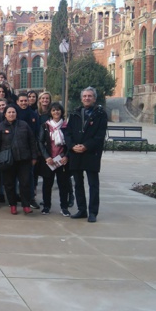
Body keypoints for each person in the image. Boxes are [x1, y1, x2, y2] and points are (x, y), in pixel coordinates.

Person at [65, 87, 108, 223]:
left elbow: (100, 135)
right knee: (78, 183)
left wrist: (86, 146)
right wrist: (72, 146)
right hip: (76, 153)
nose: (87, 98)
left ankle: (93, 212)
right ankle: (82, 209)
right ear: (81, 98)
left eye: (90, 96)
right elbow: (68, 133)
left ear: (94, 98)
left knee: (93, 184)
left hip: (91, 153)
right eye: (84, 96)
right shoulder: (75, 113)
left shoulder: (101, 114)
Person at [0, 105, 39, 215]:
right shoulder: (0, 127)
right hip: (8, 160)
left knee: (25, 183)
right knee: (9, 184)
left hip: (24, 159)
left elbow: (32, 141)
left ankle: (26, 205)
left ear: (16, 114)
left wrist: (34, 156)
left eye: (13, 112)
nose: (11, 114)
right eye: (9, 112)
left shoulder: (24, 125)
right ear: (5, 114)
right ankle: (12, 205)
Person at [38, 102, 71, 216]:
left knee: (63, 185)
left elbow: (70, 143)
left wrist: (66, 156)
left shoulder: (66, 126)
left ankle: (64, 207)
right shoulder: (45, 126)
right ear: (50, 113)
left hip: (62, 160)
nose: (56, 112)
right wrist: (46, 157)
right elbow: (40, 142)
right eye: (53, 110)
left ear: (61, 112)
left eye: (58, 110)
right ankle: (46, 206)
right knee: (47, 184)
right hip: (49, 160)